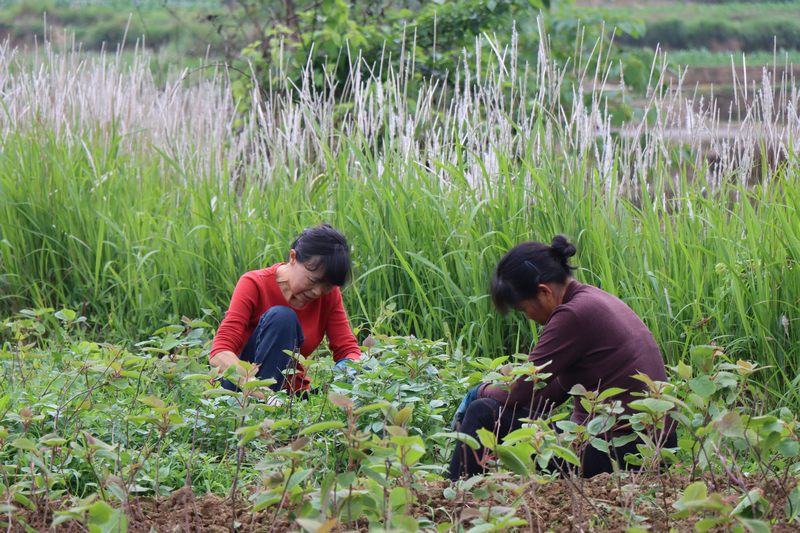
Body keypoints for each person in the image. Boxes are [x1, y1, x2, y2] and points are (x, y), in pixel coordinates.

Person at [447, 235, 676, 480]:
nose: (528, 317)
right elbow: (546, 393)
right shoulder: (593, 300)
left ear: (544, 292)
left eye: (524, 309)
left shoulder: (572, 314)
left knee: (483, 412)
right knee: (500, 412)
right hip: (651, 445)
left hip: (619, 450)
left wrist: (479, 391)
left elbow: (518, 391)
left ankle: (456, 497)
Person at [209, 223, 361, 401]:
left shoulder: (329, 296)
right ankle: (265, 408)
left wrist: (351, 370)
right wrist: (260, 392)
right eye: (313, 280)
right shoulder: (254, 284)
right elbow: (219, 353)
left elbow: (347, 349)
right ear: (293, 257)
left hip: (290, 397)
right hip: (241, 391)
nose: (318, 292)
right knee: (282, 318)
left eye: (327, 286)